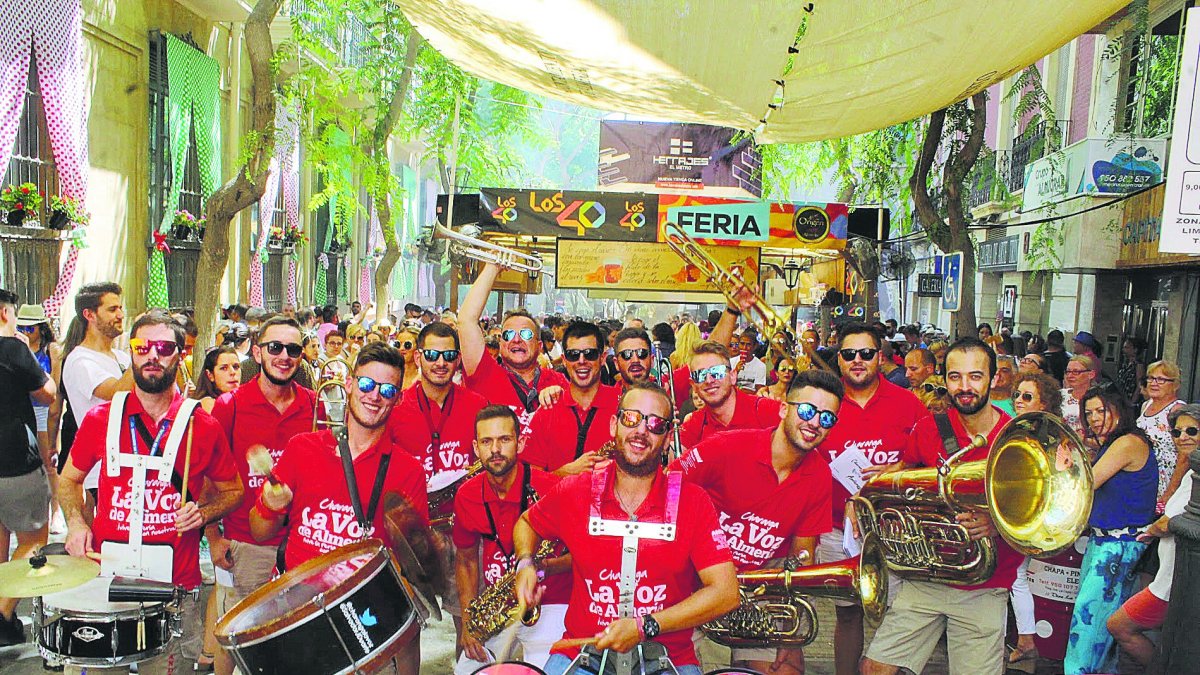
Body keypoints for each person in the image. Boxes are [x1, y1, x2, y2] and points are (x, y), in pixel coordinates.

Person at [60, 311, 243, 675]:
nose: (152, 356)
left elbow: (234, 491)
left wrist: (203, 515)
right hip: (106, 577)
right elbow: (68, 481)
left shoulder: (201, 425)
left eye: (164, 347)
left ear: (180, 354)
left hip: (173, 585)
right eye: (142, 347)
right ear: (130, 353)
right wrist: (77, 524)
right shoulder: (101, 419)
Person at [512, 383, 739, 675]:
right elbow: (527, 523)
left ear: (668, 438)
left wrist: (646, 626)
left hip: (666, 656)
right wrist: (525, 563)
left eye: (655, 424)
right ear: (613, 425)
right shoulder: (575, 491)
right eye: (631, 418)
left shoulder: (692, 501)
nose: (641, 431)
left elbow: (726, 592)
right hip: (582, 653)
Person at [250, 342, 427, 674]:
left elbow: (412, 572)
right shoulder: (303, 448)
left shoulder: (408, 471)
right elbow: (260, 531)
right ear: (349, 384)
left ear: (398, 399)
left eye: (387, 389)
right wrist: (268, 507)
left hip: (364, 620)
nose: (374, 395)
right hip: (295, 611)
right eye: (366, 384)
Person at [861, 337, 1016, 675]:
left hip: (984, 584)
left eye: (975, 376)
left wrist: (996, 523)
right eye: (955, 377)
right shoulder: (929, 428)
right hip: (928, 578)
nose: (965, 387)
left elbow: (1037, 513)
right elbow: (909, 487)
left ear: (993, 379)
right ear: (944, 379)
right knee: (875, 667)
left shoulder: (1014, 438)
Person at [673, 369, 843, 674]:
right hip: (694, 580)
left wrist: (789, 641)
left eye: (827, 418)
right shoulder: (726, 446)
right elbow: (666, 485)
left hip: (756, 588)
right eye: (807, 410)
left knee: (784, 670)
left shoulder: (819, 476)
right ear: (782, 408)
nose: (815, 423)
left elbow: (800, 559)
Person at [817, 323, 929, 675]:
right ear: (839, 359)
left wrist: (897, 469)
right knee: (847, 613)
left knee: (893, 617)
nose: (858, 360)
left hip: (894, 531)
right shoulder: (824, 403)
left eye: (866, 353)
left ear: (880, 357)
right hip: (838, 528)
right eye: (849, 354)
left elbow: (926, 461)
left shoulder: (908, 404)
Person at [207, 316, 314, 675]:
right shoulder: (230, 405)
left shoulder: (314, 406)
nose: (284, 356)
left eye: (293, 349)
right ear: (257, 352)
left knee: (291, 639)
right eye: (275, 347)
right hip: (245, 542)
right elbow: (209, 475)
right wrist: (213, 536)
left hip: (300, 544)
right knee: (235, 634)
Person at [452, 406, 568, 673]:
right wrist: (470, 621)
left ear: (520, 442)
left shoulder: (550, 489)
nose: (495, 450)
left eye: (504, 440)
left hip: (550, 601)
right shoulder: (467, 495)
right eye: (486, 441)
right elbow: (466, 561)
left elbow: (582, 557)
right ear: (475, 448)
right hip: (499, 609)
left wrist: (542, 567)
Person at [1063, 387, 1157, 675]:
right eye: (1089, 413)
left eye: (1100, 410)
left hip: (1117, 545)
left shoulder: (1128, 442)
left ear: (1119, 409)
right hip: (1109, 542)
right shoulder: (1117, 442)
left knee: (1088, 626)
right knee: (1099, 628)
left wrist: (1065, 464)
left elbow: (1086, 483)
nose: (1093, 419)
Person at [1107, 403, 1200, 671]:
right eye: (1177, 431)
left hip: (1176, 584)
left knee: (1119, 626)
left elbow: (1174, 522)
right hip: (1168, 576)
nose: (1183, 437)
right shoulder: (1188, 472)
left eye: (1192, 430)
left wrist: (1156, 528)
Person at [0, 290, 56, 645]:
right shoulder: (13, 349)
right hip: (15, 458)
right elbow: (47, 393)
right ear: (6, 313)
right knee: (34, 539)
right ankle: (3, 612)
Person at [458, 262, 569, 432]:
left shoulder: (558, 381)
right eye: (508, 335)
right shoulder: (485, 374)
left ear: (539, 346)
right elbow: (466, 320)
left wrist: (561, 395)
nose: (516, 340)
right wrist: (492, 267)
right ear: (501, 345)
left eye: (525, 335)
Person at [1006, 371, 1063, 668]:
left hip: (1037, 514)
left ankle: (1027, 638)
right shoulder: (1020, 427)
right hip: (1020, 509)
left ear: (1046, 402)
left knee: (1015, 576)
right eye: (1017, 394)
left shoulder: (1050, 431)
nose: (1018, 401)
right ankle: (1023, 637)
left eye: (1027, 397)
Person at [60, 282, 133, 498]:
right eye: (112, 309)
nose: (120, 315)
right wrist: (140, 349)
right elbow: (118, 393)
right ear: (89, 315)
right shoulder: (80, 360)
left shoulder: (121, 357)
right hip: (101, 471)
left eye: (120, 308)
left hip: (129, 464)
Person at [523, 321, 620, 476]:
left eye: (590, 354)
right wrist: (564, 473)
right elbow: (531, 480)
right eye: (573, 355)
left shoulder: (622, 405)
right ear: (564, 360)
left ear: (602, 358)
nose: (581, 361)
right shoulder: (547, 409)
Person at [678, 341, 782, 449]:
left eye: (717, 372)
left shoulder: (765, 410)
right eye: (700, 375)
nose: (709, 380)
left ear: (733, 376)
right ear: (693, 385)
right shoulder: (694, 424)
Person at [16, 304, 63, 534]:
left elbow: (54, 384)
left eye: (30, 327)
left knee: (49, 464)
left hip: (44, 410)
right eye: (21, 327)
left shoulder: (51, 350)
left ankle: (56, 511)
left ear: (41, 327)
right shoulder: (16, 347)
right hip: (22, 409)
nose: (26, 332)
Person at [1137, 360, 1186, 506]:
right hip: (1144, 478)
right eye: (1151, 378)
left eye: (1161, 379)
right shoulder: (1146, 405)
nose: (1153, 383)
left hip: (1165, 482)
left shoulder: (1177, 410)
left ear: (1174, 385)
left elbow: (1185, 456)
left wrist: (1169, 494)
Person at [192, 346, 242, 413]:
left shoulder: (242, 400)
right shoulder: (208, 404)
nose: (232, 372)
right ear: (210, 375)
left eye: (236, 367)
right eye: (224, 368)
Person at [1061, 355, 1099, 438]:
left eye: (1076, 372)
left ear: (1091, 374)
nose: (1070, 376)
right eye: (1068, 371)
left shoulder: (1100, 400)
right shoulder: (1059, 395)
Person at [1116, 336, 1147, 404]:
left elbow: (1139, 384)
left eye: (1126, 347)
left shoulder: (1139, 365)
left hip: (1129, 399)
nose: (1123, 350)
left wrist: (1132, 401)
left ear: (1135, 350)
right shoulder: (1125, 364)